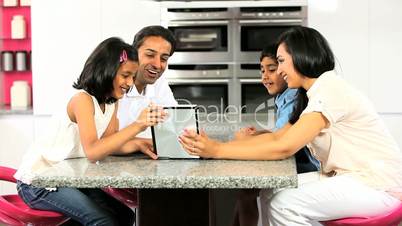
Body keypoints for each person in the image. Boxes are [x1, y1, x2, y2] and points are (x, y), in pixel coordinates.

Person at [179, 26, 402, 225]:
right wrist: (215, 146)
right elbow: (279, 137)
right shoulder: (312, 95)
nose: (280, 70)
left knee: (284, 204)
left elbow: (284, 147)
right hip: (349, 178)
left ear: (301, 56)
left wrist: (216, 150)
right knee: (270, 189)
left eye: (281, 61)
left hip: (377, 186)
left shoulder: (330, 90)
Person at [14, 37, 167, 226]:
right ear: (107, 71)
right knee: (103, 221)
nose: (129, 83)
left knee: (125, 216)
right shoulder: (82, 100)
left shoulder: (111, 102)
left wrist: (140, 143)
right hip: (40, 182)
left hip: (68, 178)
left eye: (133, 77)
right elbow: (94, 151)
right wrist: (138, 125)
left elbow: (109, 143)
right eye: (125, 75)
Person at [231, 44, 320, 226]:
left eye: (272, 69)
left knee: (247, 192)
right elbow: (283, 133)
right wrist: (260, 135)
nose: (265, 76)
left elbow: (283, 142)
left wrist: (245, 142)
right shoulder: (284, 96)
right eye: (262, 70)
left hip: (303, 167)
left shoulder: (293, 95)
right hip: (294, 164)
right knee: (245, 191)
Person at [118, 25, 178, 138]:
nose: (157, 65)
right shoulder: (116, 84)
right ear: (133, 53)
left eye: (164, 59)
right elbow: (102, 140)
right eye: (150, 55)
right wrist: (138, 144)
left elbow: (176, 124)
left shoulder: (160, 84)